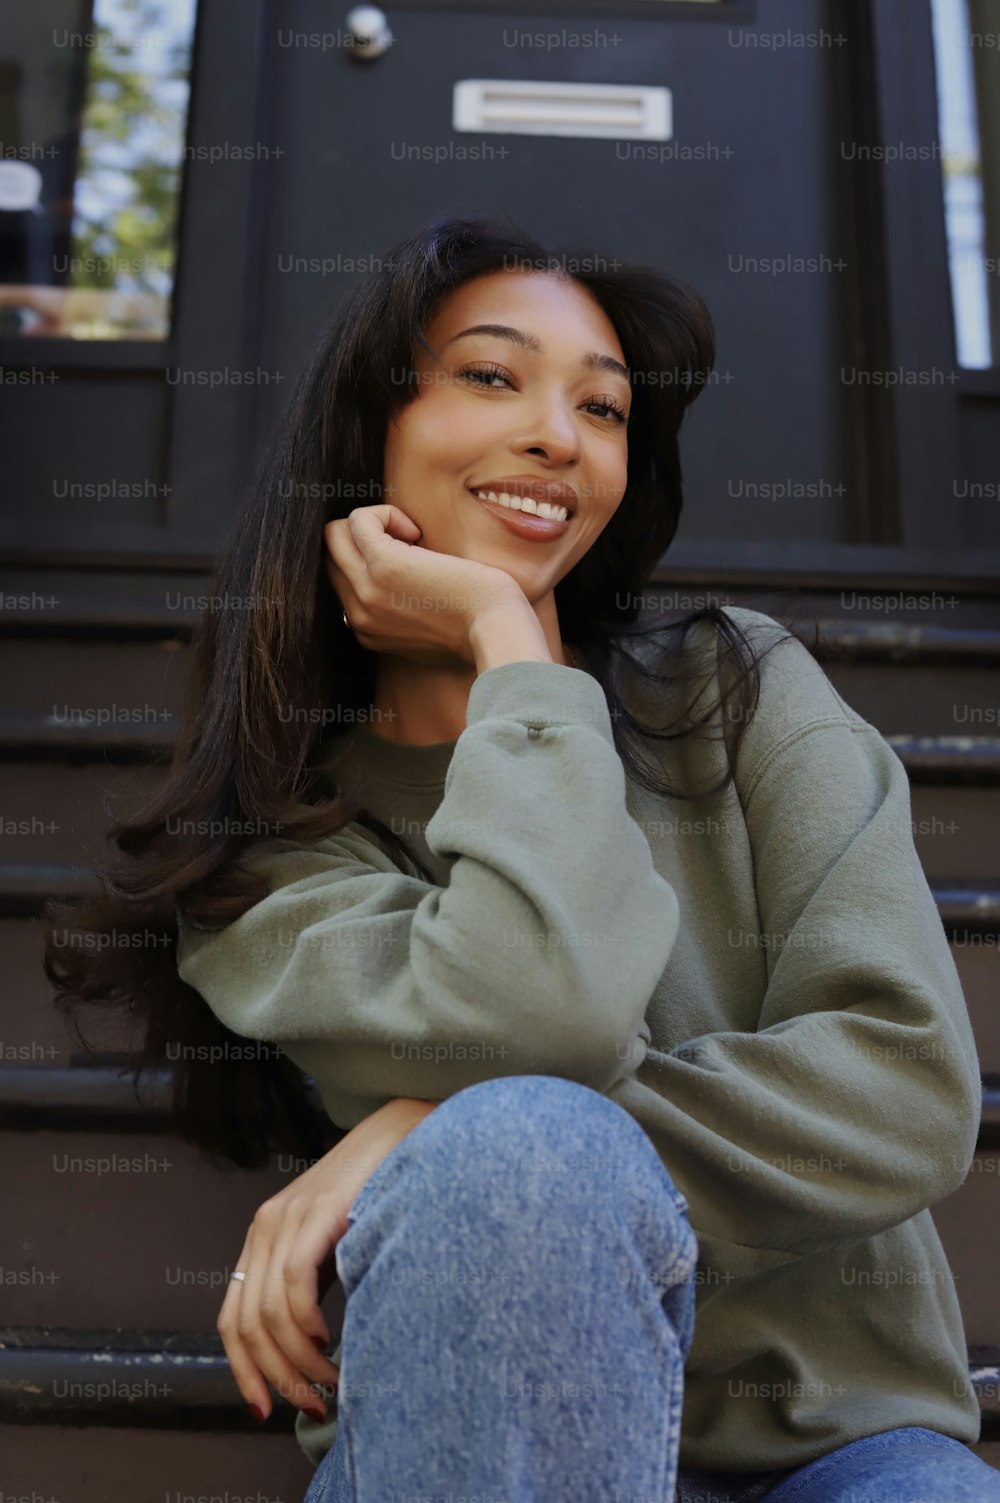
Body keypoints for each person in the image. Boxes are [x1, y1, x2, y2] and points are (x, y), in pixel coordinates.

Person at [46, 216, 1000, 1502]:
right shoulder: (272, 867)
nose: (559, 434)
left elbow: (907, 1086)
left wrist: (425, 1118)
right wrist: (505, 636)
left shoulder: (738, 690)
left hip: (836, 1457)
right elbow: (542, 1010)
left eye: (602, 409)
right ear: (364, 434)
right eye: (490, 376)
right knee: (523, 1145)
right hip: (475, 1431)